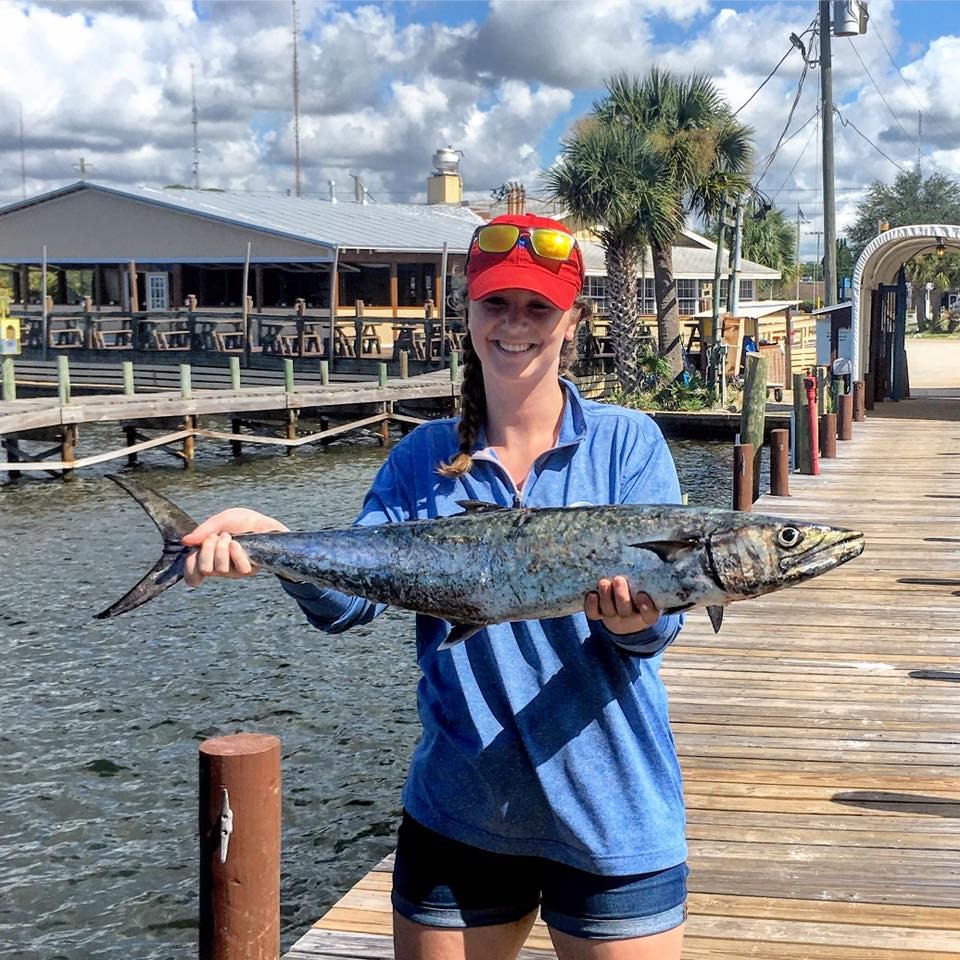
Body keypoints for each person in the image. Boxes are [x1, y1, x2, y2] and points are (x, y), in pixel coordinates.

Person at [182, 213, 688, 960]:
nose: (515, 325)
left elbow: (658, 629)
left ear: (571, 321)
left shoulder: (627, 442)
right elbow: (352, 602)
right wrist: (273, 546)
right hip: (458, 815)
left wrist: (630, 624)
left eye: (538, 308)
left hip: (614, 812)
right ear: (469, 312)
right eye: (497, 304)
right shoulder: (421, 458)